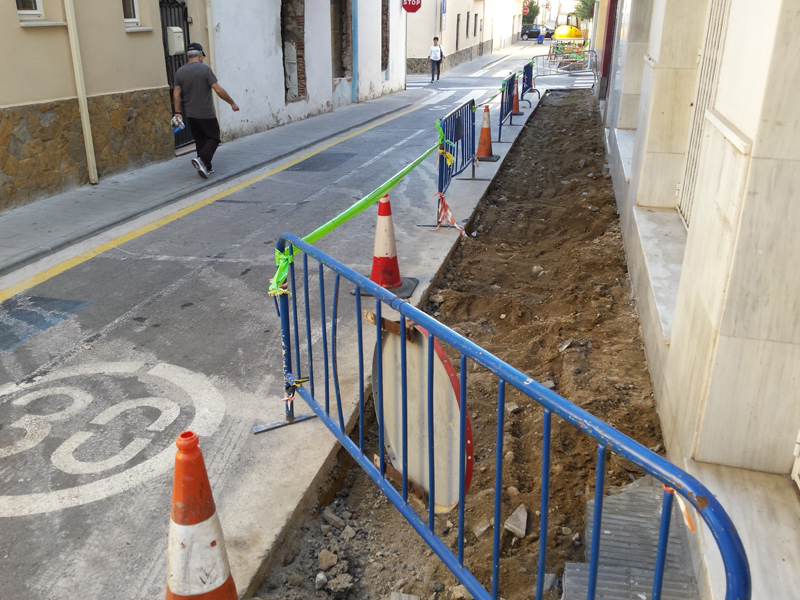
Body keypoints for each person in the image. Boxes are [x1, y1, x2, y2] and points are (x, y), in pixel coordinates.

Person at [173, 42, 239, 179]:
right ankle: (202, 160)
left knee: (200, 139)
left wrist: (178, 113)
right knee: (214, 138)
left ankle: (207, 167)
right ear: (200, 55)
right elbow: (218, 89)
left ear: (188, 56)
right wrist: (232, 103)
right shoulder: (205, 70)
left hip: (191, 114)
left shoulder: (180, 72)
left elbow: (176, 94)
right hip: (206, 113)